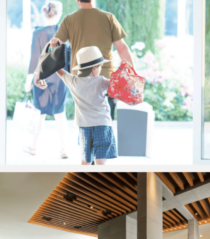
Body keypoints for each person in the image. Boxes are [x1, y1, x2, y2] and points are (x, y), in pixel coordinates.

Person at [41, 0, 136, 118]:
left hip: (81, 83)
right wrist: (131, 77)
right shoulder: (108, 18)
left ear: (77, 0)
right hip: (106, 81)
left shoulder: (69, 20)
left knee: (84, 125)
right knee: (106, 124)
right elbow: (122, 48)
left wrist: (39, 72)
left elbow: (53, 48)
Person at [45, 46, 118, 165]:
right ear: (94, 68)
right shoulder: (101, 81)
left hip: (84, 127)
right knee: (100, 162)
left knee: (85, 161)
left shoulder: (73, 81)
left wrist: (51, 53)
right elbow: (118, 88)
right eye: (99, 67)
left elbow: (58, 70)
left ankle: (83, 181)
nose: (99, 70)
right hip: (102, 124)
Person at [25, 1, 71, 159]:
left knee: (40, 114)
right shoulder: (65, 33)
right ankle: (64, 149)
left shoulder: (37, 33)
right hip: (60, 79)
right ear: (60, 14)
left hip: (42, 79)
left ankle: (33, 148)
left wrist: (28, 82)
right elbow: (69, 58)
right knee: (60, 114)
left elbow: (34, 59)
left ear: (44, 13)